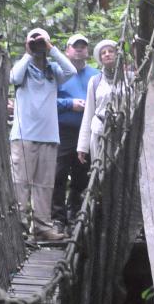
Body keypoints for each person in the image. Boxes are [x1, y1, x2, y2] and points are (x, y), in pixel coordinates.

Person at [9, 28, 76, 242]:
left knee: (45, 185)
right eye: (34, 41)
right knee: (20, 183)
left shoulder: (53, 70)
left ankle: (42, 227)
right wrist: (29, 52)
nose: (38, 45)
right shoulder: (23, 68)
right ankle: (18, 229)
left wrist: (51, 48)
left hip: (49, 135)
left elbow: (71, 71)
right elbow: (13, 77)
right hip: (24, 135)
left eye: (41, 41)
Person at [52, 34, 99, 227]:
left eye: (83, 46)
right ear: (67, 51)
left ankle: (75, 215)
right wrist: (69, 104)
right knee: (58, 174)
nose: (79, 49)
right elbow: (45, 102)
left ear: (87, 51)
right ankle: (57, 217)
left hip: (86, 132)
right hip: (62, 131)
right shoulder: (58, 73)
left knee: (82, 175)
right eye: (75, 46)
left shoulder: (96, 75)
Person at [77, 39, 127, 168]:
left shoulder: (129, 79)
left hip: (123, 131)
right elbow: (89, 113)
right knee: (101, 170)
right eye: (103, 53)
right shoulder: (95, 81)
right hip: (100, 132)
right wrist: (82, 146)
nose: (107, 54)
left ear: (117, 54)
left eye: (111, 51)